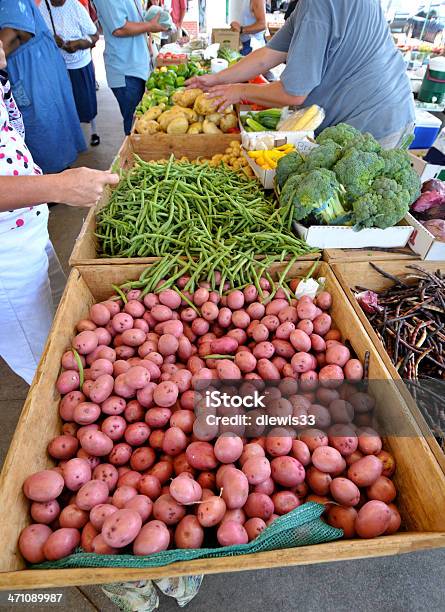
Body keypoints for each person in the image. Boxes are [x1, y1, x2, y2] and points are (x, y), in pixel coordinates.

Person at [0, 41, 119, 384]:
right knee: (45, 363)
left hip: (26, 232)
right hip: (6, 259)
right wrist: (57, 187)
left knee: (59, 329)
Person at [188, 0, 415, 147]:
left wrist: (238, 90)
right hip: (385, 111)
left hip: (373, 125)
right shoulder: (310, 6)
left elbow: (293, 93)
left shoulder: (318, 5)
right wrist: (218, 78)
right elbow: (269, 54)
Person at [0, 0, 86, 174]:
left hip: (32, 70)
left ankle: (53, 178)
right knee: (42, 121)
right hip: (29, 67)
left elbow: (16, 33)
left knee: (42, 121)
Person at [93, 0, 166, 135]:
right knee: (135, 126)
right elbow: (119, 28)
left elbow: (136, 18)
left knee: (142, 121)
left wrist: (153, 16)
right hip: (126, 71)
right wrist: (150, 26)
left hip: (138, 66)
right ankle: (132, 154)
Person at [39, 0, 101, 147]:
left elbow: (94, 36)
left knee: (86, 102)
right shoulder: (42, 7)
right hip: (58, 65)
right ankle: (72, 135)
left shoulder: (75, 6)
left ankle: (94, 131)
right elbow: (38, 36)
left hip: (80, 63)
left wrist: (79, 43)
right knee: (65, 103)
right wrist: (51, 39)